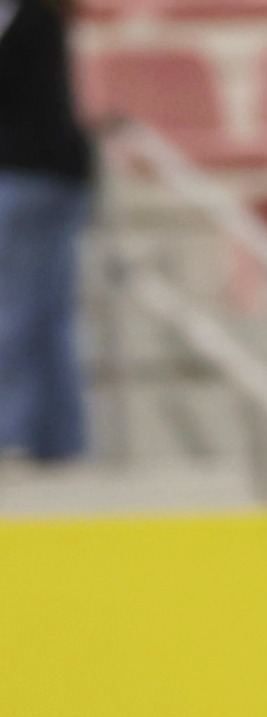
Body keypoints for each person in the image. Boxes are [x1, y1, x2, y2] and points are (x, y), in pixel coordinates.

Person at [0, 0, 91, 462]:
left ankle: (14, 435)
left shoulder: (28, 19)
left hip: (24, 177)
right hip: (56, 176)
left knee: (16, 313)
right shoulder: (43, 18)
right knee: (46, 316)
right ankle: (61, 439)